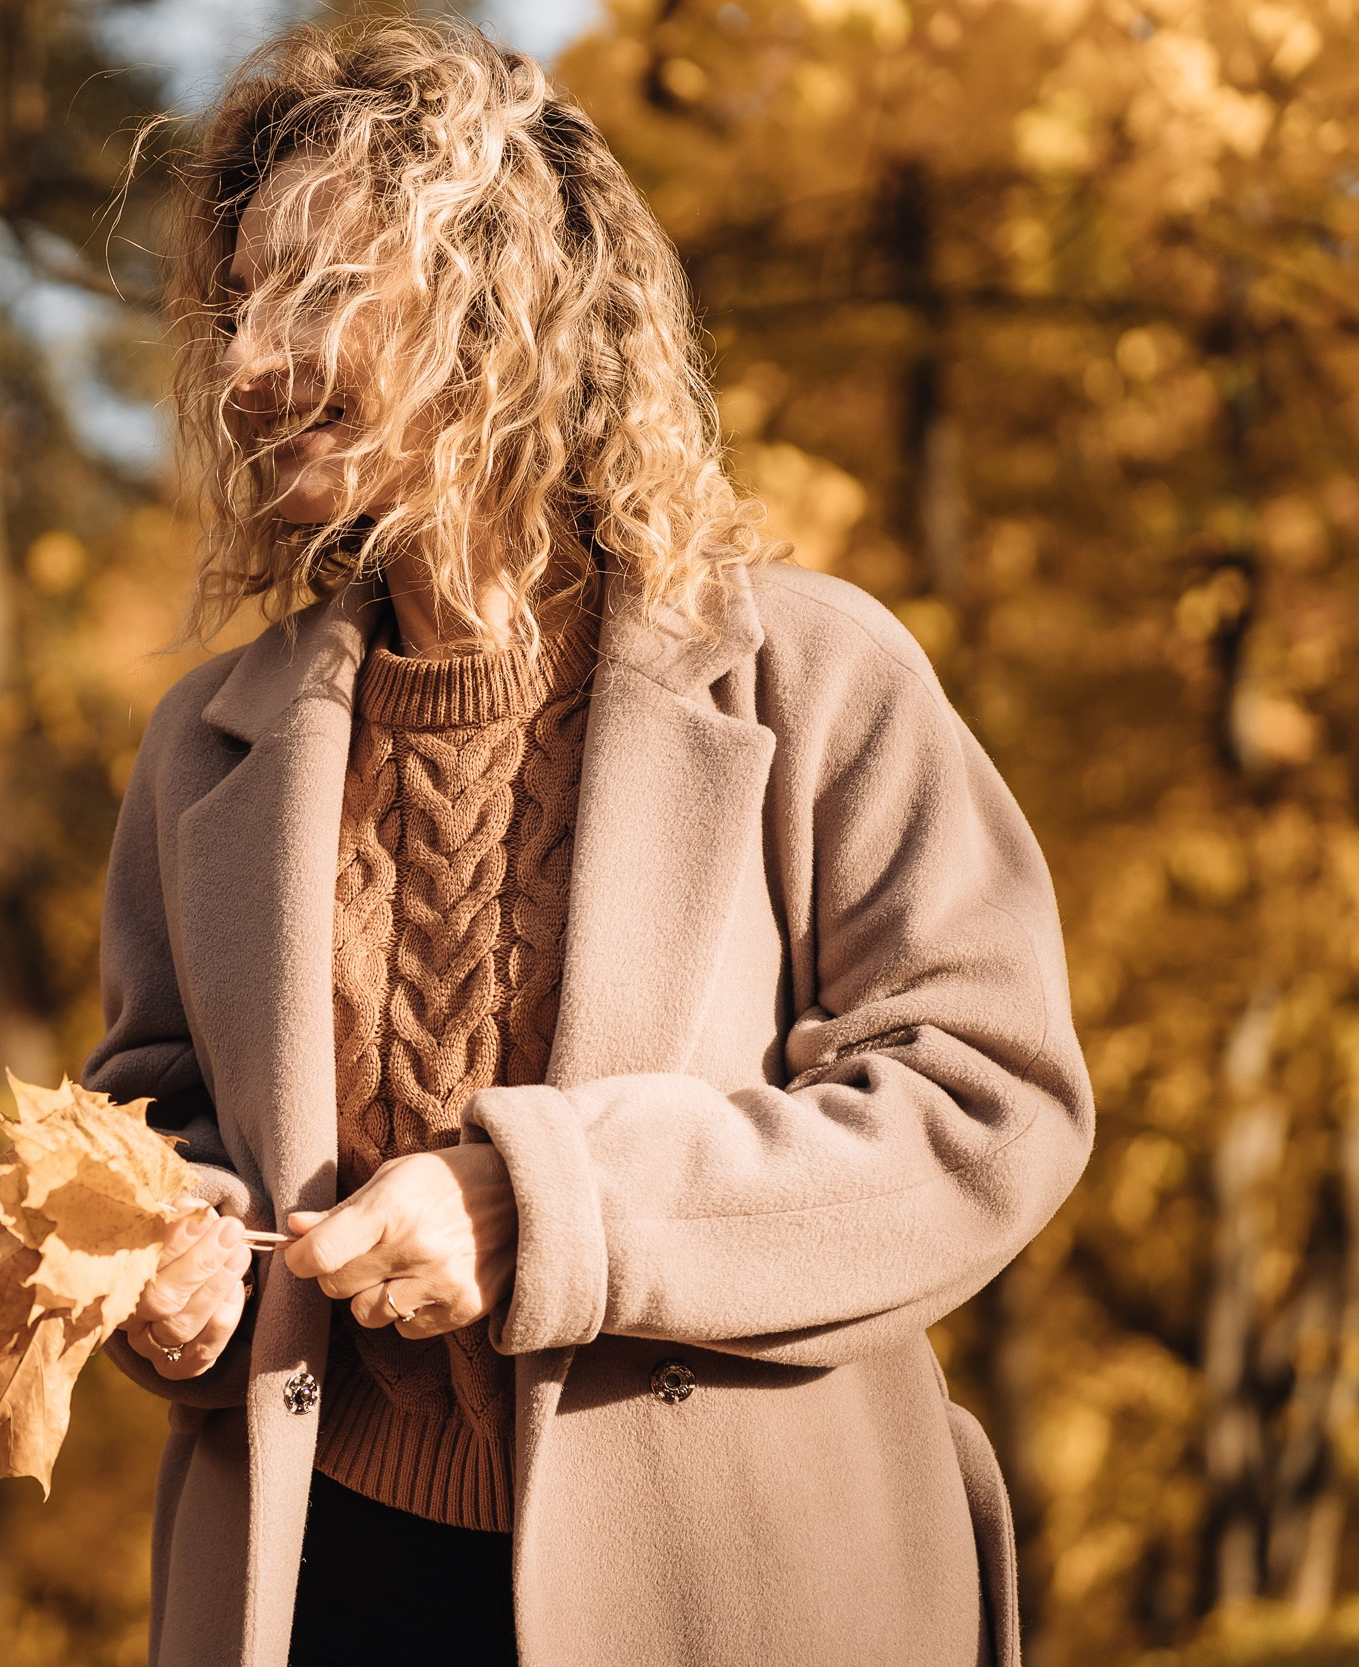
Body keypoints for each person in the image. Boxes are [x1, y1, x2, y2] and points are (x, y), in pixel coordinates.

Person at [87, 20, 1090, 1667]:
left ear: (499, 313)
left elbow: (987, 1107)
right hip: (319, 1584)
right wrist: (163, 1257)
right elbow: (155, 1114)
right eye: (238, 303)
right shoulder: (205, 745)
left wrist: (543, 1208)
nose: (250, 362)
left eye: (320, 293)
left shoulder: (818, 674)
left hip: (750, 1589)